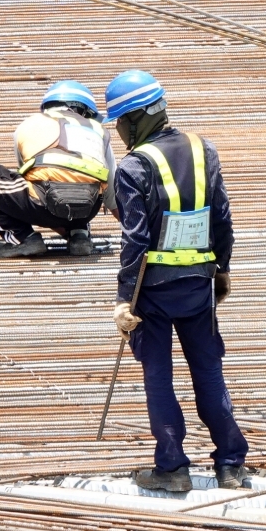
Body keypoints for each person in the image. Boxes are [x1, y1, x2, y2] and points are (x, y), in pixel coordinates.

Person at [107, 69, 248, 491]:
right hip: (198, 287)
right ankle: (231, 464)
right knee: (208, 372)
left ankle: (172, 468)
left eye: (120, 123)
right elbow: (222, 217)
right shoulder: (203, 148)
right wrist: (221, 270)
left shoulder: (133, 166)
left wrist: (123, 299)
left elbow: (135, 238)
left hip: (151, 290)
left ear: (134, 120)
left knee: (159, 376)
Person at [0, 81, 118, 258]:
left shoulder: (31, 123)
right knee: (83, 184)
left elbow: (29, 181)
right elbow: (113, 194)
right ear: (85, 111)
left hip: (43, 205)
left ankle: (23, 238)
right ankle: (79, 235)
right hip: (88, 209)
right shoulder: (99, 130)